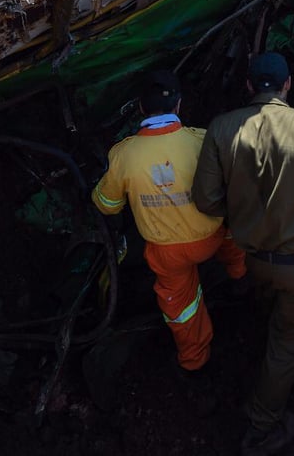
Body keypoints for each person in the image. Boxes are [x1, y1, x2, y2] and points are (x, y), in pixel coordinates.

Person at [192, 53, 294, 456]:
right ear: (288, 84)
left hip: (253, 262)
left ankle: (256, 369)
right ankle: (262, 425)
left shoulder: (222, 128)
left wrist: (245, 208)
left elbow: (206, 202)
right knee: (290, 344)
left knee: (270, 319)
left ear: (248, 86)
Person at [91, 70, 247, 377]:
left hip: (167, 253)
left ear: (140, 108)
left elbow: (106, 205)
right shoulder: (201, 140)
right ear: (179, 105)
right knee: (232, 237)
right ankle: (239, 276)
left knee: (182, 306)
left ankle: (194, 360)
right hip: (212, 236)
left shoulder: (124, 154)